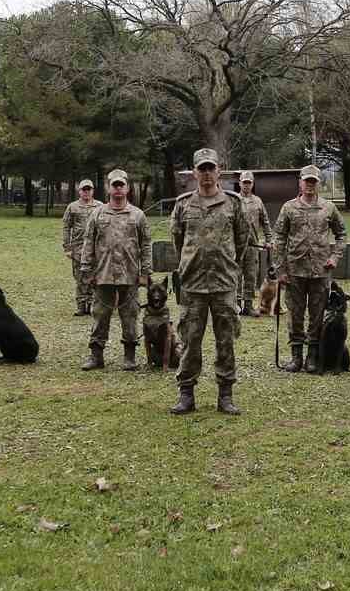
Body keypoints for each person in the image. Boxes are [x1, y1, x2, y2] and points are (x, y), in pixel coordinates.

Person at [169, 148, 249, 414]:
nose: (206, 174)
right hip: (192, 284)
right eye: (201, 169)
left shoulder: (234, 203)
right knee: (191, 340)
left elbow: (242, 240)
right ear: (194, 172)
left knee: (225, 340)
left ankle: (225, 395)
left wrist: (227, 264)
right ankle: (186, 394)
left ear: (219, 171)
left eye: (210, 168)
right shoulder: (182, 205)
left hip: (223, 283)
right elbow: (178, 242)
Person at [274, 164, 347, 373]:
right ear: (300, 182)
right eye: (306, 180)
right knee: (295, 314)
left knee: (317, 315)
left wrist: (335, 256)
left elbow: (341, 234)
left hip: (320, 271)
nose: (310, 185)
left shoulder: (328, 208)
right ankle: (296, 356)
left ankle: (312, 356)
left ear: (318, 183)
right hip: (294, 270)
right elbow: (279, 238)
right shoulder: (289, 208)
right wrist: (280, 269)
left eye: (313, 181)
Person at [79, 168, 152, 371]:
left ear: (127, 188)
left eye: (121, 185)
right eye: (114, 185)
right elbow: (88, 242)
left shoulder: (138, 215)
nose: (118, 189)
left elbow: (146, 245)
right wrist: (87, 269)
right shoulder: (97, 214)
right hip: (103, 274)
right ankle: (96, 355)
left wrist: (145, 272)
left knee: (129, 316)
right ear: (108, 188)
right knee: (100, 315)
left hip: (130, 275)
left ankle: (129, 356)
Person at [60, 179, 103, 317]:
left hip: (96, 247)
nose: (86, 192)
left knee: (94, 276)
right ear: (79, 191)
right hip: (78, 247)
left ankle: (91, 304)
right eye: (84, 189)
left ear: (92, 191)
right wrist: (67, 247)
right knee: (79, 277)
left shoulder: (100, 206)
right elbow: (66, 227)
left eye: (88, 189)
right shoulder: (72, 207)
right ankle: (81, 305)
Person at [236, 171, 272, 316]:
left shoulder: (258, 201)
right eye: (244, 182)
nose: (246, 185)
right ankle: (236, 305)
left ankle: (248, 306)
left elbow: (265, 221)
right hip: (237, 246)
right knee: (236, 276)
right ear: (239, 183)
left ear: (252, 184)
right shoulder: (234, 200)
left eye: (249, 182)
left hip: (253, 246)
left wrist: (269, 239)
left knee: (251, 276)